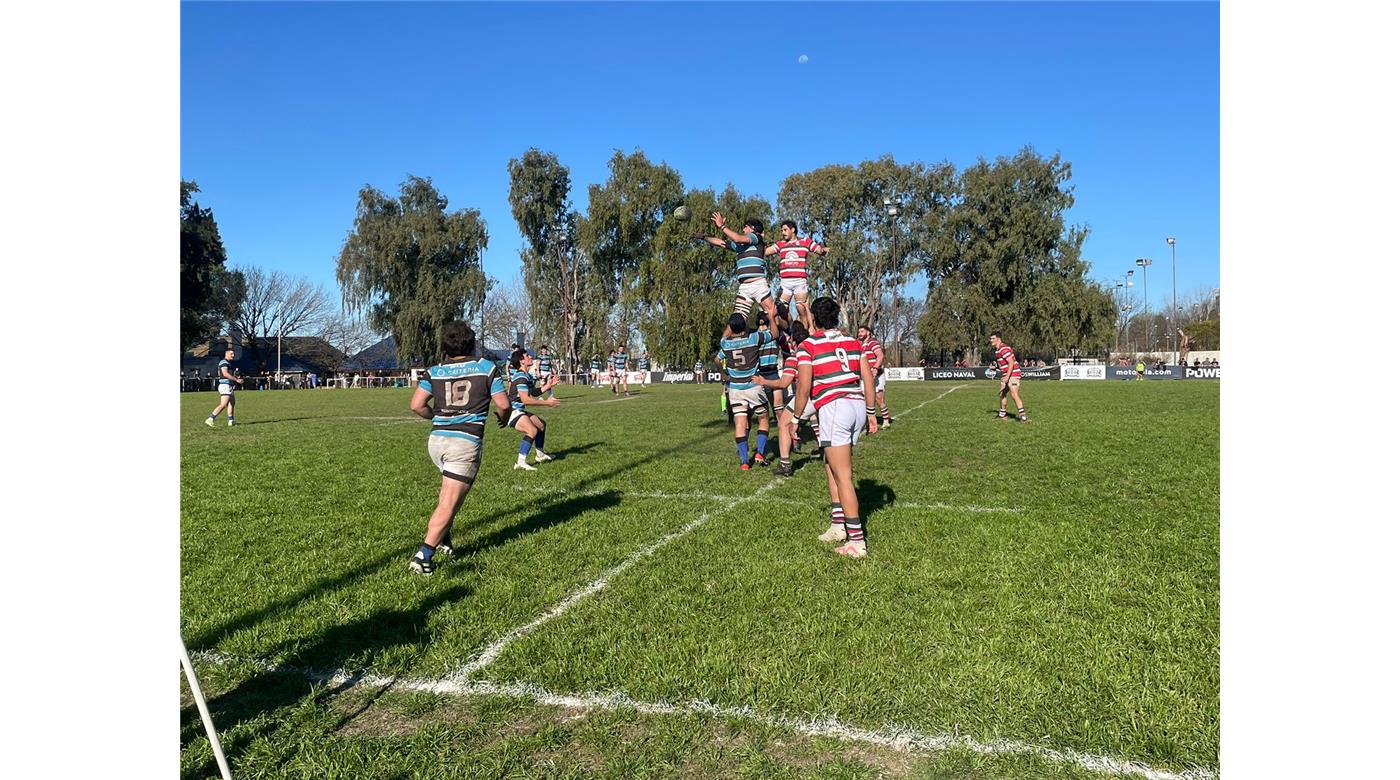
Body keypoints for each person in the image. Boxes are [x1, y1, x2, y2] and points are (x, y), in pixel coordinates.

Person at [406, 321, 514, 576]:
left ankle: (444, 537)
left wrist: (437, 416)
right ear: (472, 344)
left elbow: (416, 404)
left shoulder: (435, 371)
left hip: (437, 441)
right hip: (464, 442)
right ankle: (424, 554)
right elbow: (503, 403)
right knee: (450, 502)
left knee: (449, 494)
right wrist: (503, 416)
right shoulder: (486, 368)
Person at [792, 297, 879, 558]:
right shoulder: (853, 342)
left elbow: (804, 387)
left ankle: (856, 540)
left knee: (843, 475)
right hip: (855, 405)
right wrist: (872, 413)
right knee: (830, 466)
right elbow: (867, 378)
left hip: (834, 407)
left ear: (814, 320)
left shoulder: (809, 345)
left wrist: (795, 420)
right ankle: (838, 524)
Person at [716, 312, 779, 470]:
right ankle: (760, 453)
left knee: (740, 424)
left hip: (736, 388)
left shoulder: (725, 343)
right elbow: (775, 333)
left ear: (730, 328)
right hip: (753, 386)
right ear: (744, 326)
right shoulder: (754, 338)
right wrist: (771, 317)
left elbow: (717, 359)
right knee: (764, 419)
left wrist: (724, 374)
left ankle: (744, 461)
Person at [696, 212, 778, 325]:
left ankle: (786, 333)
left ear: (751, 228)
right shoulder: (740, 246)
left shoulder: (756, 237)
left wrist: (722, 226)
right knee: (738, 320)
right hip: (744, 287)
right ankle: (735, 341)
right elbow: (721, 243)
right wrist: (704, 237)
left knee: (772, 313)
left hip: (758, 283)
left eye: (745, 227)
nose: (743, 230)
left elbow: (738, 238)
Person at [753, 321, 812, 476]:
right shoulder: (816, 351)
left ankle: (785, 464)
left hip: (809, 395)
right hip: (830, 394)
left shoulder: (795, 357)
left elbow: (784, 383)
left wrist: (763, 381)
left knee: (784, 424)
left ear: (793, 341)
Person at [765, 219, 828, 331]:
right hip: (785, 282)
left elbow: (819, 250)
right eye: (781, 230)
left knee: (801, 307)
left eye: (785, 230)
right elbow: (765, 252)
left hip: (800, 281)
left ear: (793, 230)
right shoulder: (781, 244)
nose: (783, 232)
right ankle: (790, 330)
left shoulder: (805, 241)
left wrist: (823, 250)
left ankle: (804, 332)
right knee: (781, 309)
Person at [505, 349, 562, 470]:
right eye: (527, 356)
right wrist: (547, 403)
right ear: (522, 361)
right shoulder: (520, 376)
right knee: (532, 431)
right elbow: (526, 400)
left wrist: (549, 385)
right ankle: (520, 462)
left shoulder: (526, 375)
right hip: (512, 412)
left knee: (541, 425)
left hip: (518, 410)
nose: (530, 357)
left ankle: (540, 455)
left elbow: (534, 393)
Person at [856, 325, 892, 429]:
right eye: (859, 332)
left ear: (868, 333)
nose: (859, 333)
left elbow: (880, 355)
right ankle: (867, 422)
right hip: (865, 377)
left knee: (878, 399)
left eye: (862, 331)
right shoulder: (860, 345)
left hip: (877, 376)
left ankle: (886, 421)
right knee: (863, 400)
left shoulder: (873, 343)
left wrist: (875, 368)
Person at [990, 333, 1027, 421]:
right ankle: (1002, 415)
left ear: (998, 339)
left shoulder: (1003, 348)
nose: (991, 340)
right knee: (1002, 394)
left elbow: (1011, 362)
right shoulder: (997, 350)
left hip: (1013, 374)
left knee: (1014, 394)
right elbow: (1005, 364)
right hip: (1007, 374)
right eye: (990, 338)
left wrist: (1007, 376)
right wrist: (996, 368)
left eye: (993, 338)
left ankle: (1023, 416)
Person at [205, 349, 244, 426]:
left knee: (232, 403)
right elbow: (225, 374)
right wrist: (236, 379)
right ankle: (210, 418)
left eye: (233, 354)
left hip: (228, 385)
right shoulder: (224, 362)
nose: (233, 355)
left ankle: (231, 420)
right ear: (226, 354)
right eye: (231, 354)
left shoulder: (228, 363)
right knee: (223, 404)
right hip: (225, 385)